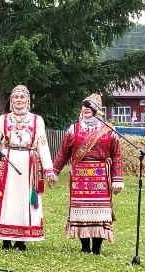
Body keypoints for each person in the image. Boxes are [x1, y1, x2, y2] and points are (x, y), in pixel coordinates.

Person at [0, 84, 56, 251]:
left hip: (28, 164)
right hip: (7, 162)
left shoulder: (37, 120)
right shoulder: (3, 119)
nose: (19, 100)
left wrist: (49, 170)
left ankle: (21, 239)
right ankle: (5, 238)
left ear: (28, 100)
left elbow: (43, 145)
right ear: (11, 101)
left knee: (25, 200)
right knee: (7, 199)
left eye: (22, 97)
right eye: (15, 97)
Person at [51, 94, 124, 255]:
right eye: (84, 105)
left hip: (101, 174)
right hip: (80, 174)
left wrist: (117, 179)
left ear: (98, 110)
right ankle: (84, 246)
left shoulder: (109, 130)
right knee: (81, 209)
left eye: (90, 106)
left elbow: (117, 155)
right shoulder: (74, 129)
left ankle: (97, 247)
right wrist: (54, 172)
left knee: (100, 210)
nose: (86, 108)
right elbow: (63, 153)